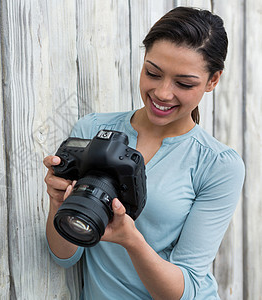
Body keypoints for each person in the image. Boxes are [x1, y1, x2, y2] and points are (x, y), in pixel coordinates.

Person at [44, 6, 245, 300]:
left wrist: (131, 241)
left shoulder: (217, 165)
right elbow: (64, 255)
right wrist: (56, 202)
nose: (163, 93)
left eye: (184, 83)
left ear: (213, 81)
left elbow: (185, 290)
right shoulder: (95, 129)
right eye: (153, 73)